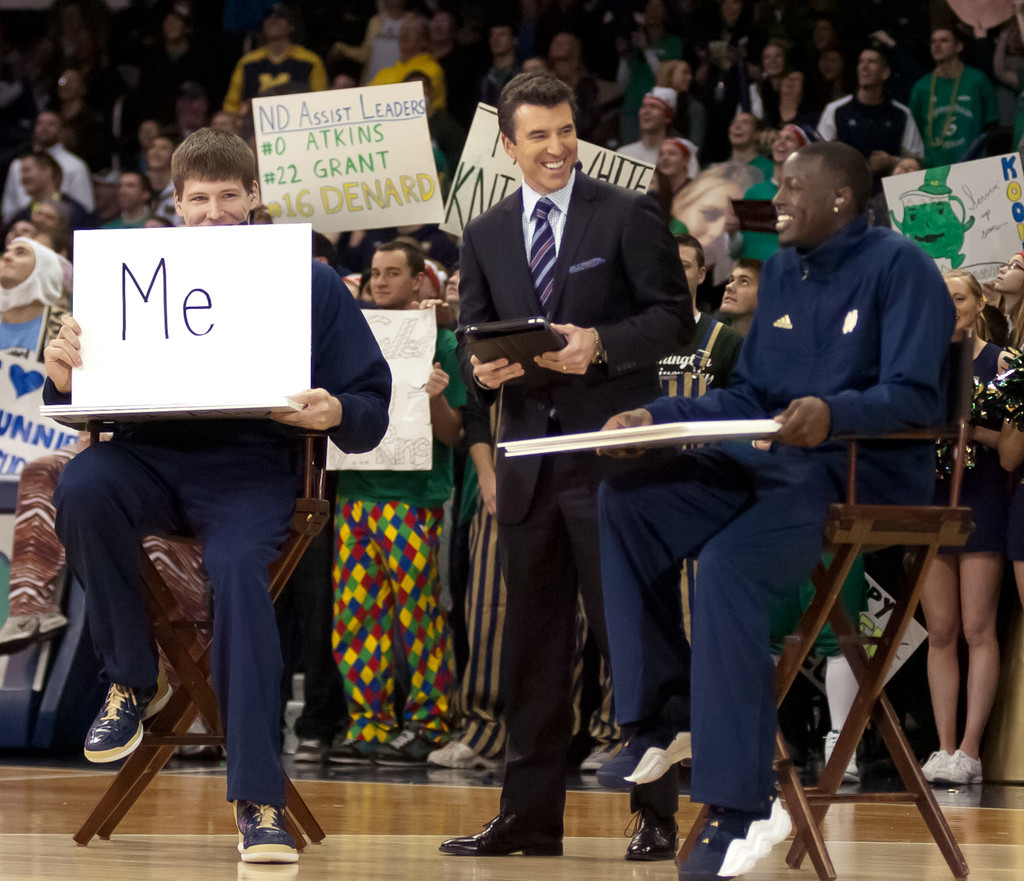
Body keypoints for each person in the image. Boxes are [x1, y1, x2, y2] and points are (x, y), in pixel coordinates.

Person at [597, 141, 953, 880]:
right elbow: (748, 398)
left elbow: (920, 396)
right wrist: (654, 416)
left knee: (729, 563)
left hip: (859, 471)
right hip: (775, 458)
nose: (778, 198)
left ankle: (741, 805)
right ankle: (662, 717)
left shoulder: (902, 268)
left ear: (841, 199)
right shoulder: (783, 270)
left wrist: (834, 412)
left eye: (793, 186)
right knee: (628, 498)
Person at [41, 127, 391, 864]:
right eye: (197, 199)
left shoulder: (313, 281)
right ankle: (131, 679)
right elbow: (76, 396)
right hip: (147, 455)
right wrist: (64, 374)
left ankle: (260, 804)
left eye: (228, 196)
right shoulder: (127, 270)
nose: (212, 213)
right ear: (175, 204)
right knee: (81, 484)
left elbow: (370, 402)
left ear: (255, 198)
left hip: (254, 468)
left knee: (238, 573)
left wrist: (335, 412)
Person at [437, 70, 690, 860]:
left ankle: (655, 812)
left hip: (612, 458)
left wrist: (602, 345)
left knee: (631, 642)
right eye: (537, 135)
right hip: (527, 470)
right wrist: (484, 370)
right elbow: (473, 339)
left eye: (565, 130)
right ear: (508, 146)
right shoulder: (482, 232)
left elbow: (673, 319)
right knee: (532, 654)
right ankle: (527, 817)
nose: (555, 146)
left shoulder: (628, 213)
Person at [328, 239, 463, 764]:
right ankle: (369, 723)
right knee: (356, 615)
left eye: (392, 273)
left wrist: (433, 395)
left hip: (413, 498)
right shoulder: (348, 338)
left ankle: (429, 723)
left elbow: (454, 435)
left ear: (418, 282)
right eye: (373, 274)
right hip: (357, 495)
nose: (380, 282)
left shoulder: (442, 340)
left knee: (419, 614)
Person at [920, 269, 1009, 787]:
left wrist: (972, 429)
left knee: (978, 628)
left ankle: (971, 751)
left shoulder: (1002, 363)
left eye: (960, 298)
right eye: (944, 299)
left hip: (980, 500)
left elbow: (1012, 445)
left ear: (979, 303)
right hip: (931, 502)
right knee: (942, 632)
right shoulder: (921, 361)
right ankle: (944, 745)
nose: (951, 306)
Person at [817, 46, 923, 178]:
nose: (864, 67)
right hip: (846, 189)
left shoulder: (901, 113)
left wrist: (891, 161)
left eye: (871, 62)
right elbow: (819, 155)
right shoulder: (836, 110)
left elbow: (917, 160)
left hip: (886, 191)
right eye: (861, 62)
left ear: (885, 73)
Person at [909, 27, 998, 168]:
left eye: (943, 41)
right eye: (933, 42)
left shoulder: (978, 80)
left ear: (959, 46)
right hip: (935, 169)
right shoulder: (921, 87)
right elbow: (915, 130)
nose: (937, 45)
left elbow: (991, 125)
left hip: (974, 165)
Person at [221, 4, 327, 117]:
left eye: (280, 16)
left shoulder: (310, 61)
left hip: (299, 124)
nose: (273, 20)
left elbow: (322, 102)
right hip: (253, 128)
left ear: (291, 25)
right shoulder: (247, 63)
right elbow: (231, 107)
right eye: (267, 16)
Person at [2, 110, 95, 222]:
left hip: (63, 226)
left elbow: (85, 207)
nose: (44, 128)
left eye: (51, 124)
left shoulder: (76, 165)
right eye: (40, 123)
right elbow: (9, 207)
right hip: (23, 225)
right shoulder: (17, 164)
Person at [618, 87, 676, 165]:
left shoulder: (679, 157)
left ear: (667, 117)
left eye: (653, 107)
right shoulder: (623, 154)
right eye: (643, 106)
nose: (646, 112)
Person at [717, 257, 761, 337]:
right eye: (731, 280)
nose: (729, 286)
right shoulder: (707, 337)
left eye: (744, 282)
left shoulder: (774, 347)